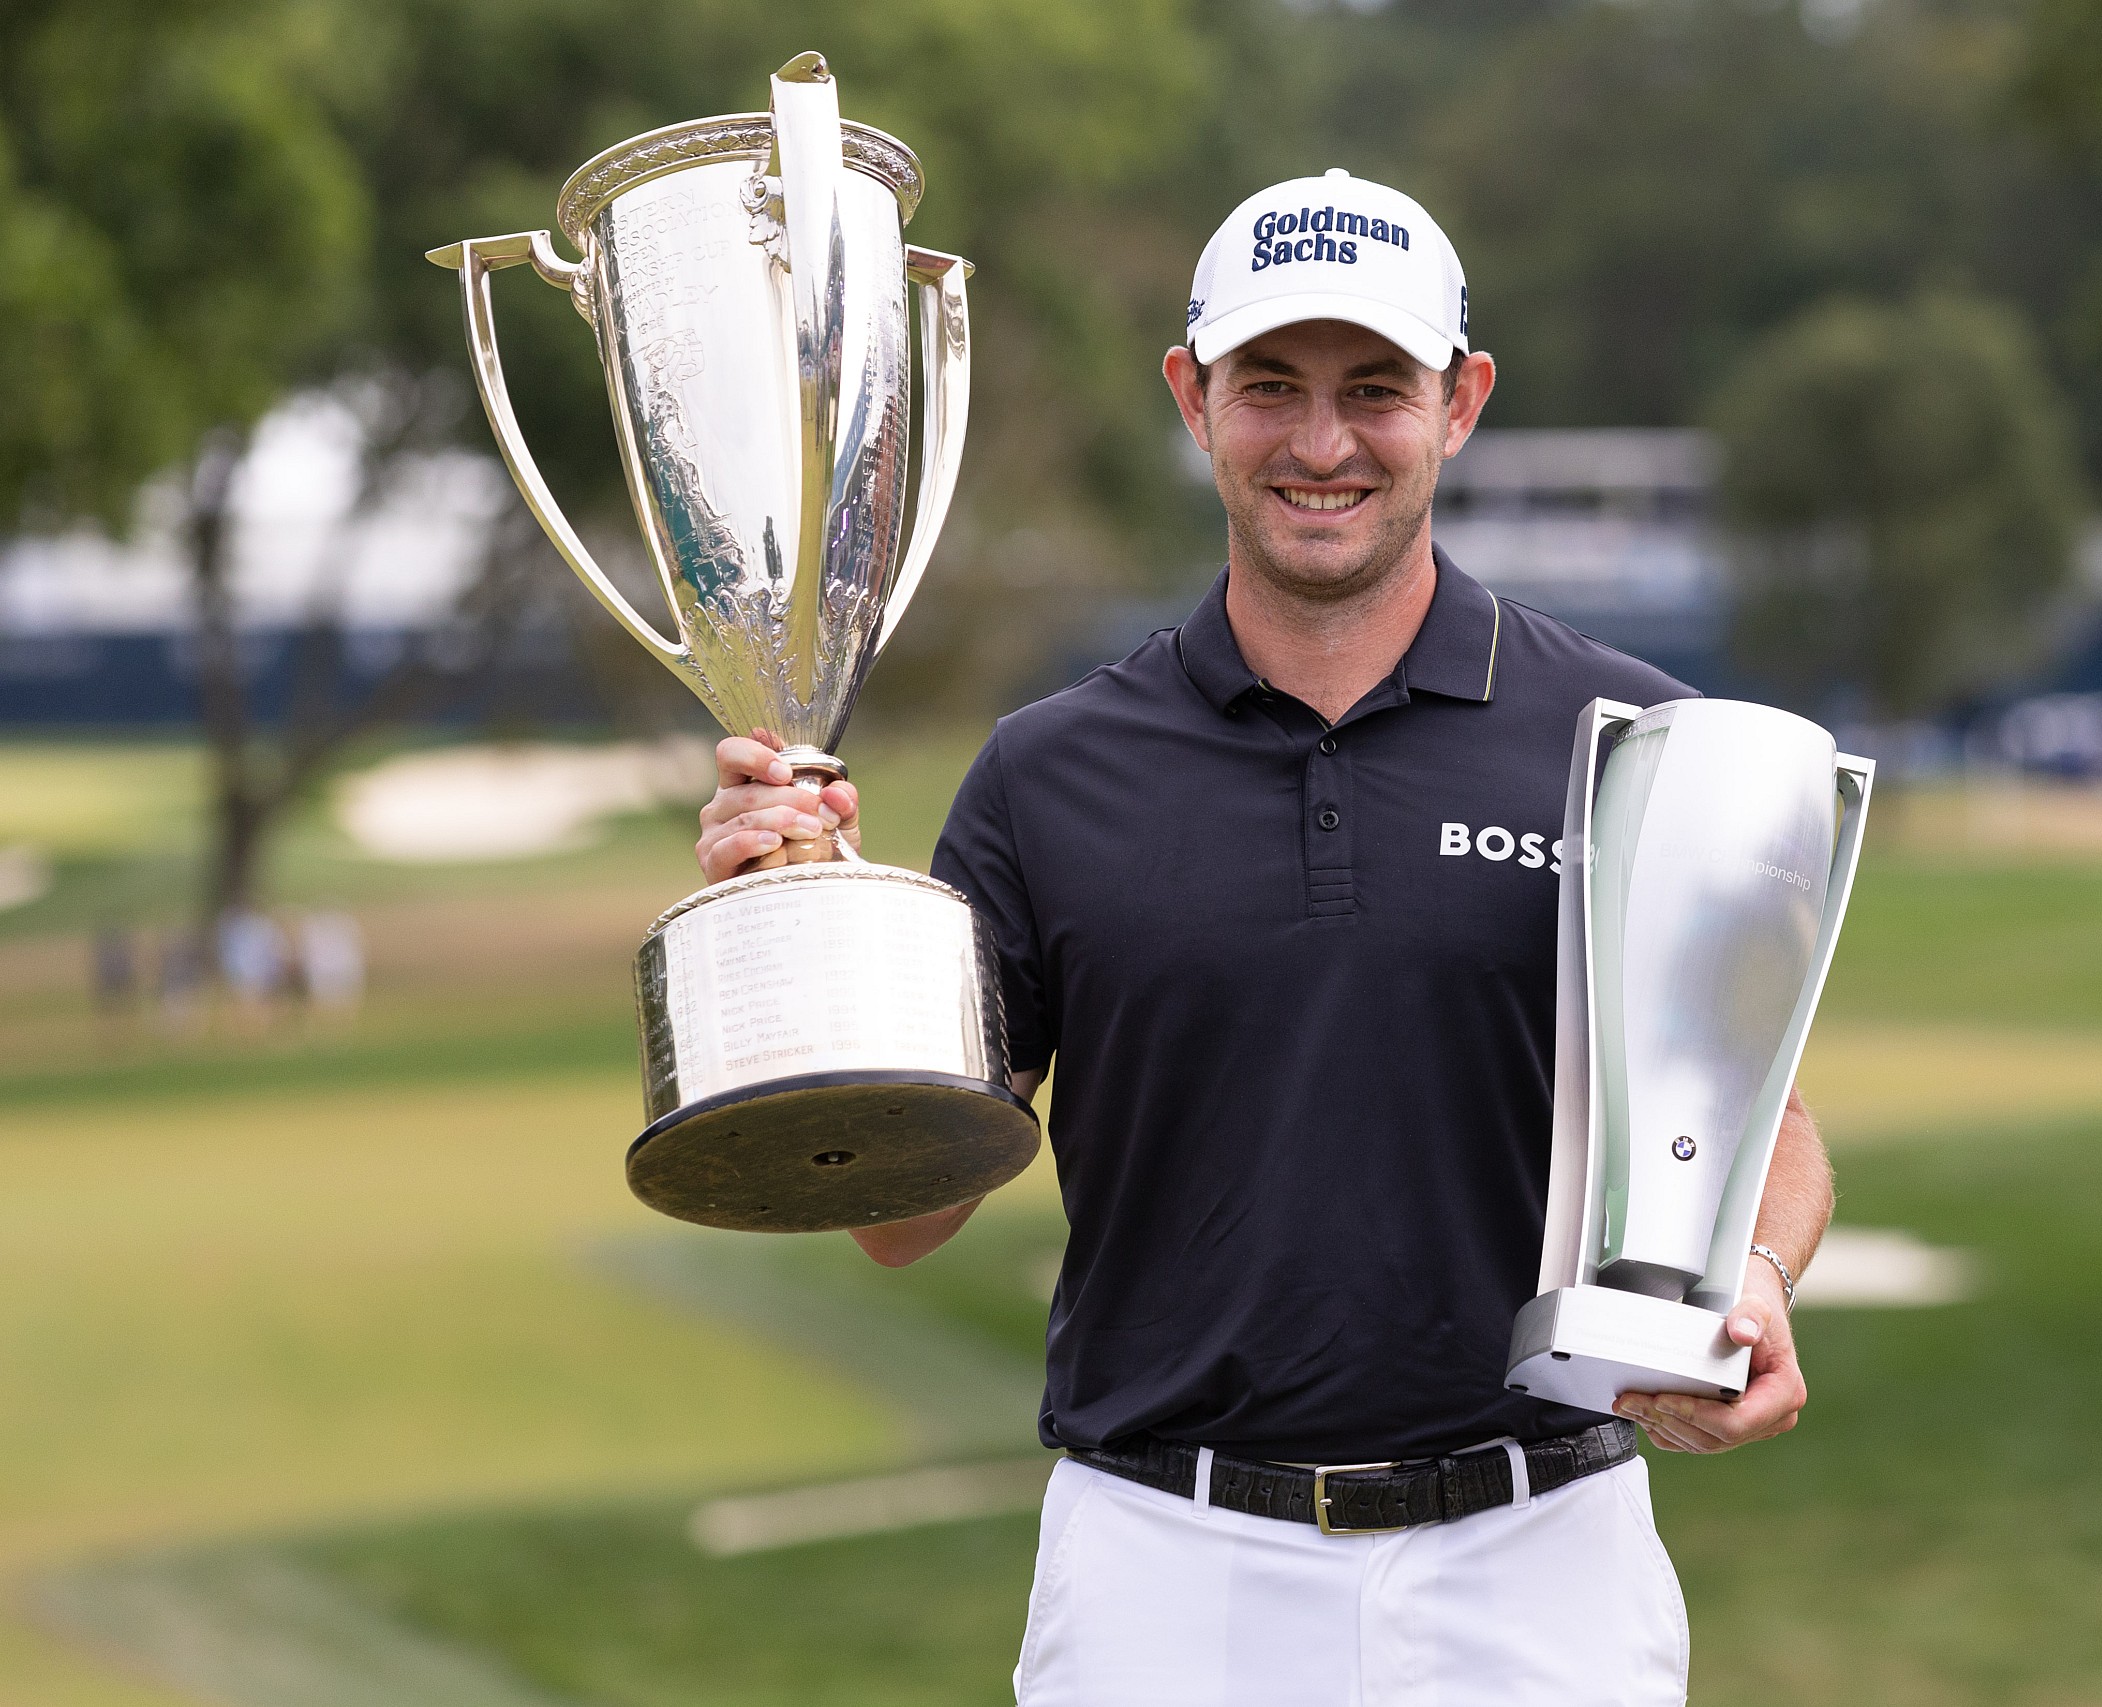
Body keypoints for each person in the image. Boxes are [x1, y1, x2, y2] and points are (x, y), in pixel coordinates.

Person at [696, 170, 1833, 1706]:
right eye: (1269, 389)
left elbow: (1770, 1125)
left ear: (1462, 401)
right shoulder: (1050, 776)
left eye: (1376, 389)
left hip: (1540, 1564)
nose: (1320, 444)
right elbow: (899, 1220)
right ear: (1192, 397)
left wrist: (1754, 1280)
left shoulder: (1632, 745)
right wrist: (800, 933)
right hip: (1164, 1573)